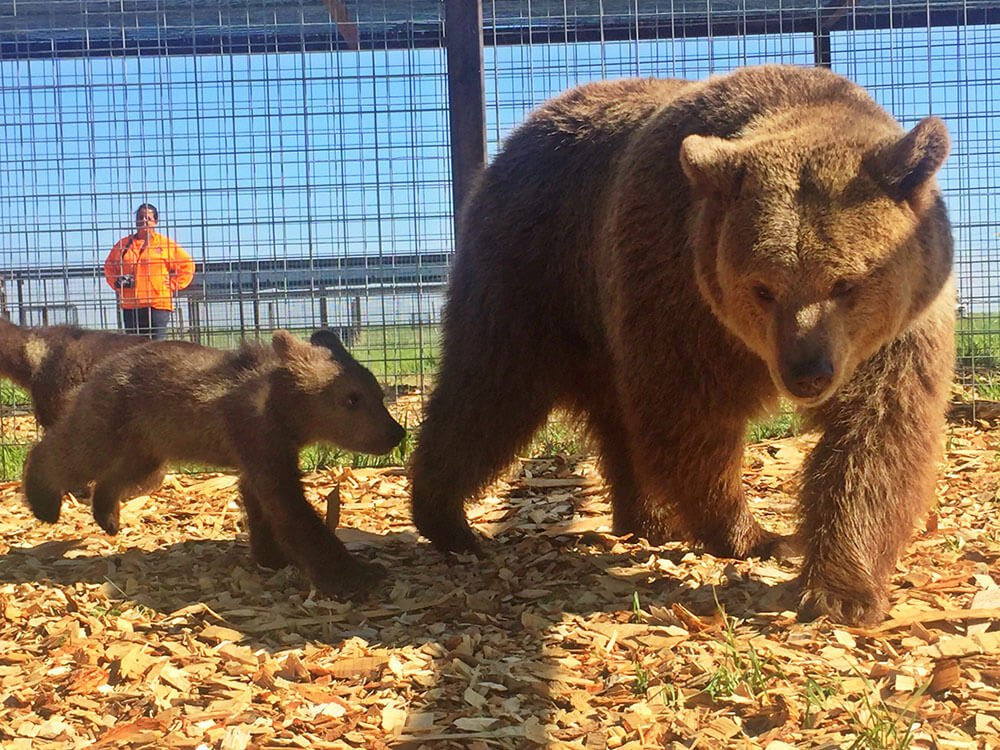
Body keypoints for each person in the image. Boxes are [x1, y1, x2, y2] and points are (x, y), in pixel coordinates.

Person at [104, 203, 194, 340]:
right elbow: (109, 266)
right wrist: (116, 283)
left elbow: (187, 265)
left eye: (148, 218)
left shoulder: (165, 244)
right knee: (133, 349)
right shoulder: (123, 245)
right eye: (140, 217)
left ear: (155, 222)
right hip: (131, 304)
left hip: (158, 304)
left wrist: (174, 284)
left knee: (156, 349)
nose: (143, 220)